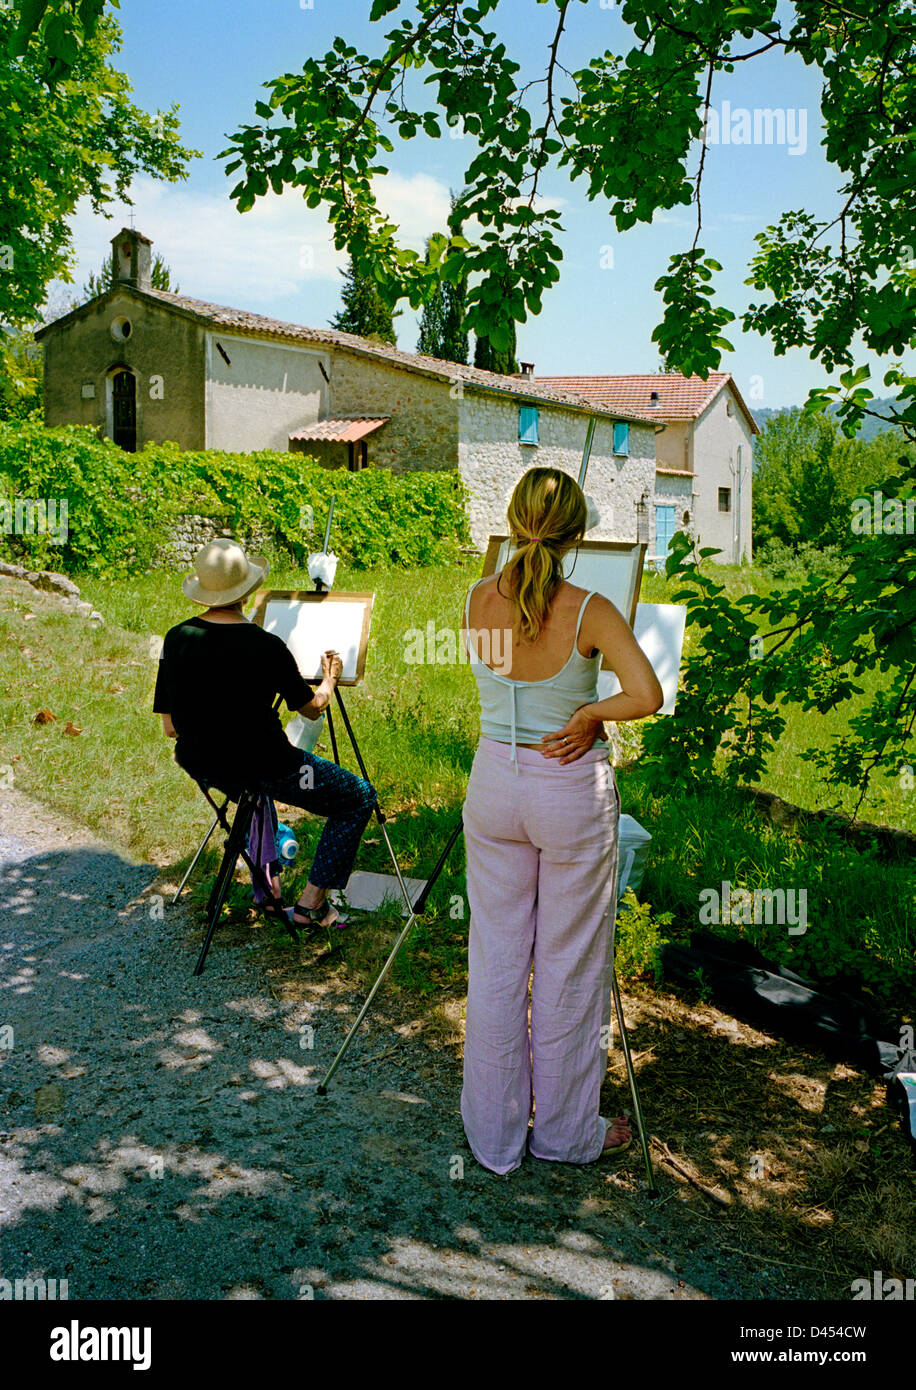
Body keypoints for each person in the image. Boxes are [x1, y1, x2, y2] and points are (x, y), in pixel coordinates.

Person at [460, 467, 664, 1175]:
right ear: (579, 532)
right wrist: (589, 713)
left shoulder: (476, 597)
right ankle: (567, 1134)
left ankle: (494, 1137)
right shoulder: (590, 609)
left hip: (493, 779)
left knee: (495, 957)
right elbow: (647, 694)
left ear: (513, 521)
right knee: (569, 963)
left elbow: (499, 680)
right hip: (566, 785)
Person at [153, 538, 376, 929]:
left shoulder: (176, 638)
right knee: (357, 797)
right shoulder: (266, 645)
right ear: (247, 591)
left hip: (204, 765)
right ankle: (311, 907)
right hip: (268, 768)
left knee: (255, 782)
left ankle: (273, 879)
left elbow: (170, 726)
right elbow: (311, 707)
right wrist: (330, 678)